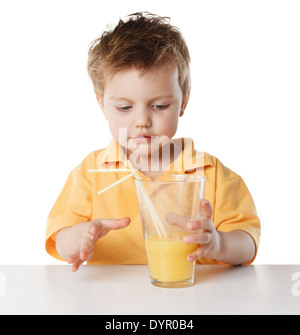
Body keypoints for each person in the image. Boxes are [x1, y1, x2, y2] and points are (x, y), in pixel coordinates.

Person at [46, 12, 260, 272]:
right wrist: (79, 237)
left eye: (159, 105)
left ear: (183, 102)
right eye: (125, 107)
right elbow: (60, 237)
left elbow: (248, 242)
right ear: (102, 105)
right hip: (111, 300)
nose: (142, 121)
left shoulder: (210, 173)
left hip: (195, 298)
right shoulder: (92, 173)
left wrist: (218, 243)